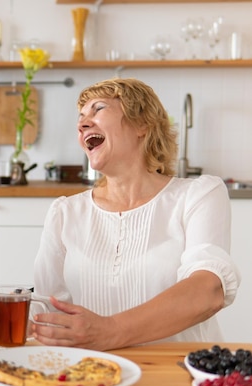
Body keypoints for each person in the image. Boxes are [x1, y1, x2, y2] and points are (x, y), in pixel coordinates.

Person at [30, 78, 240, 351]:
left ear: (142, 124)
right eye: (80, 117)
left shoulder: (197, 195)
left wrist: (111, 331)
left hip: (178, 375)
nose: (82, 124)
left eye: (98, 109)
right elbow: (49, 307)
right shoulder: (65, 213)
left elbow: (208, 291)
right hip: (92, 373)